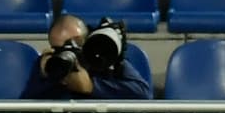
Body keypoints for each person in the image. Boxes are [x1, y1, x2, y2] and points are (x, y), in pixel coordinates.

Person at [21, 15, 152, 99]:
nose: (70, 50)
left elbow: (143, 94)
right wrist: (45, 77)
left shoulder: (104, 56)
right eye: (61, 48)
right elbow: (26, 106)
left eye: (76, 42)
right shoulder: (51, 63)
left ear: (87, 38)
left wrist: (91, 86)